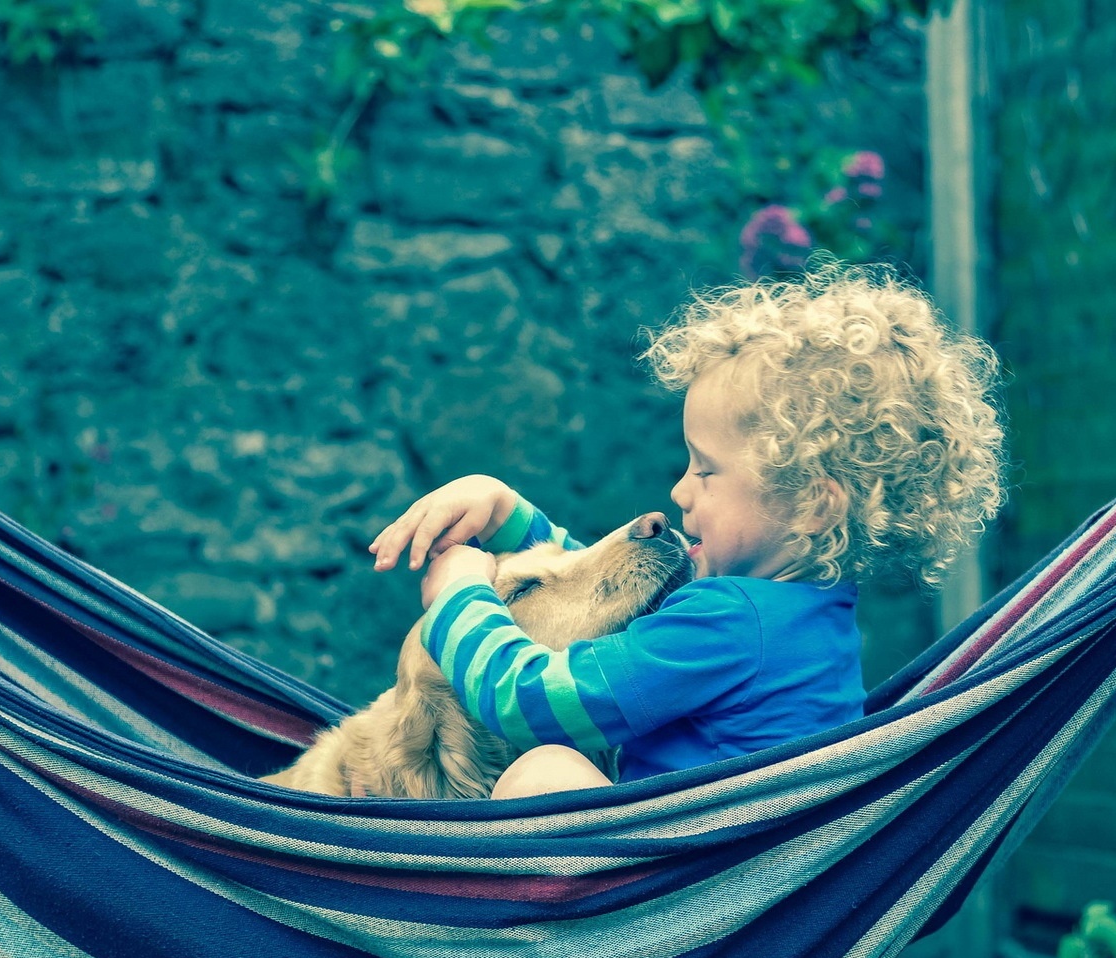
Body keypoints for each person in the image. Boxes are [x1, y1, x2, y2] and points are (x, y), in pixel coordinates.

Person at [367, 258, 1005, 798]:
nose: (679, 491)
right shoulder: (802, 617)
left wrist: (458, 597)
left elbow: (530, 702)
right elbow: (609, 587)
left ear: (814, 505)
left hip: (685, 896)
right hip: (744, 883)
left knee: (545, 771)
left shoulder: (726, 626)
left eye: (706, 470)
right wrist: (506, 515)